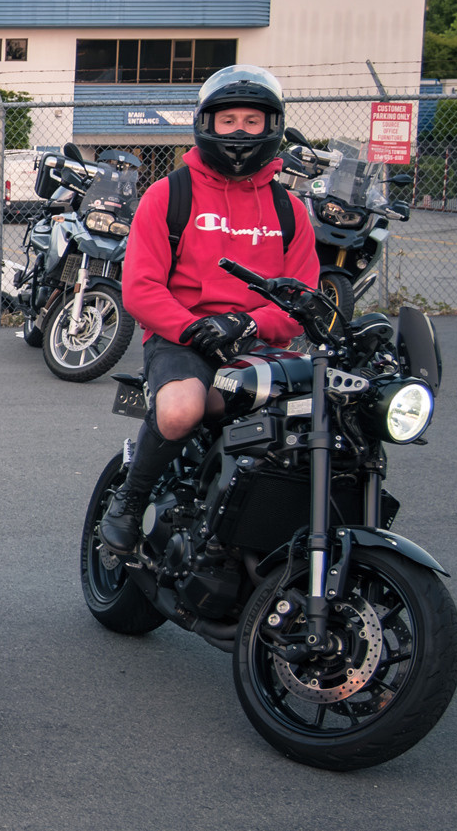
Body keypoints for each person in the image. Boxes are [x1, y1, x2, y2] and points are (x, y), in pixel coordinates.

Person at [99, 65, 320, 554]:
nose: (240, 130)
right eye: (228, 120)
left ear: (273, 126)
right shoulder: (168, 195)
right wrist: (196, 327)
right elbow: (139, 289)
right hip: (182, 342)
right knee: (181, 412)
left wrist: (247, 322)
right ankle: (131, 500)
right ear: (206, 123)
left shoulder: (291, 210)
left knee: (318, 420)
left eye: (252, 120)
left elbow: (303, 299)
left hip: (260, 345)